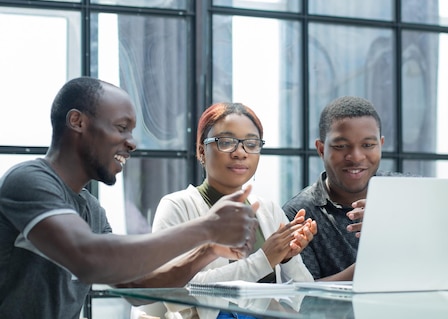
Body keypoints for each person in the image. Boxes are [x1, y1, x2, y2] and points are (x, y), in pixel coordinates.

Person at [0, 77, 260, 319]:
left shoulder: (90, 209)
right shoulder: (28, 180)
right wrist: (207, 228)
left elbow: (136, 286)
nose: (132, 143)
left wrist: (208, 250)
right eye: (122, 128)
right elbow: (88, 259)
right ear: (77, 121)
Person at [150, 102, 316, 318]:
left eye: (251, 143)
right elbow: (177, 286)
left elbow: (304, 297)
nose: (240, 153)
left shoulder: (269, 210)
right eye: (226, 142)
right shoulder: (177, 206)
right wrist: (264, 260)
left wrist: (287, 258)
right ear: (202, 150)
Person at [282, 96, 384, 280]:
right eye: (341, 146)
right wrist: (370, 264)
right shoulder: (298, 213)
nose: (356, 157)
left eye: (368, 145)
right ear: (321, 149)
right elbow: (300, 295)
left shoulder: (407, 195)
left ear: (381, 145)